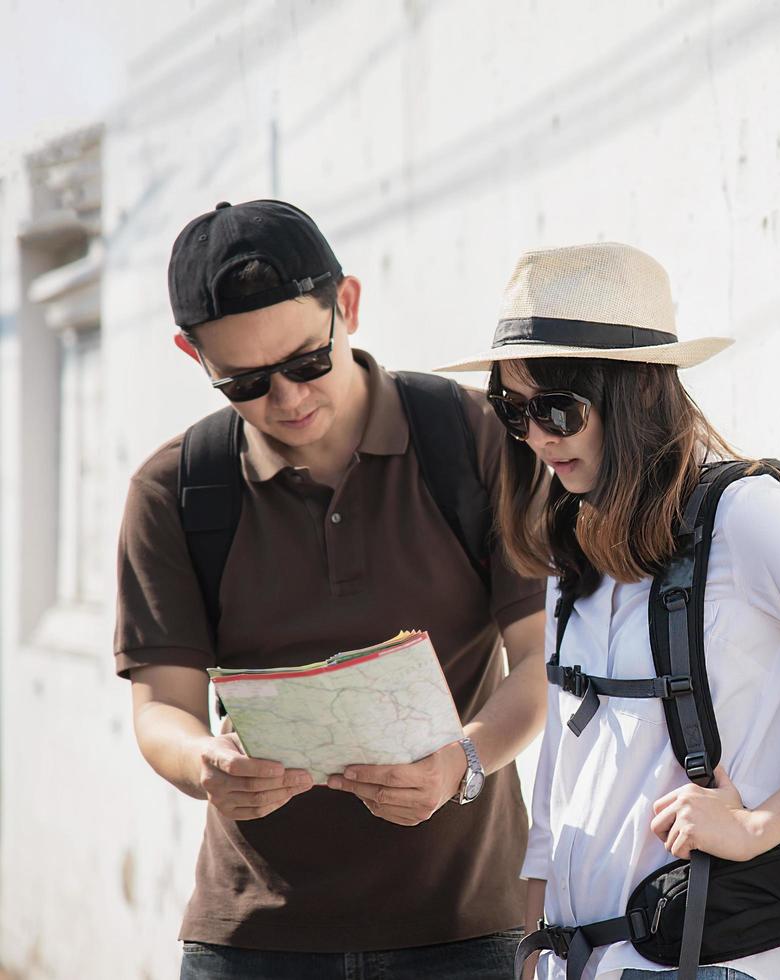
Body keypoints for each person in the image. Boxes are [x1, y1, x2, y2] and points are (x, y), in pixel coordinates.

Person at [436, 242, 780, 979]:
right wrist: (536, 943)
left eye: (557, 409)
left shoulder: (744, 519)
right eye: (513, 410)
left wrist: (760, 825)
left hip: (721, 961)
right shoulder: (576, 538)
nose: (536, 438)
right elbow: (566, 770)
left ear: (631, 394)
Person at [115, 199, 547, 979]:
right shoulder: (176, 491)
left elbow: (542, 665)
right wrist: (203, 763)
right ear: (193, 355)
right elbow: (161, 711)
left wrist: (464, 765)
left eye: (308, 362)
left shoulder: (473, 439)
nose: (286, 400)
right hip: (251, 939)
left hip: (467, 931)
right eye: (244, 382)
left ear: (346, 304)